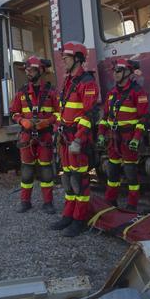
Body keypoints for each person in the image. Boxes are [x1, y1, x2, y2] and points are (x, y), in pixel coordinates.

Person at [49, 41, 100, 238]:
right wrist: (57, 131)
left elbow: (88, 115)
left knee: (80, 181)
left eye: (67, 58)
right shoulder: (69, 80)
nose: (64, 62)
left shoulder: (86, 82)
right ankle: (68, 216)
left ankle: (80, 220)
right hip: (65, 138)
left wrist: (78, 140)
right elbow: (64, 110)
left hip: (76, 141)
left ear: (78, 58)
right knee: (68, 180)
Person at [97, 59, 149, 212]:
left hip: (128, 140)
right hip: (114, 140)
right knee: (112, 172)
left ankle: (132, 205)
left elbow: (143, 118)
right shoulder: (112, 94)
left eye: (118, 71)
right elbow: (105, 117)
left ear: (128, 72)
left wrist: (136, 138)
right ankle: (110, 201)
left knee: (131, 173)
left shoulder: (138, 92)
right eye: (114, 71)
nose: (115, 74)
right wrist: (101, 134)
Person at [9, 56, 59, 214]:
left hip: (45, 136)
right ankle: (25, 201)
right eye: (27, 70)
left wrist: (48, 122)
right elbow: (13, 112)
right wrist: (22, 121)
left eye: (31, 70)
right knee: (27, 170)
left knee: (46, 170)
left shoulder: (51, 92)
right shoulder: (22, 92)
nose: (28, 72)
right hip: (27, 136)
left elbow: (60, 113)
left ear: (41, 70)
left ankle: (48, 202)